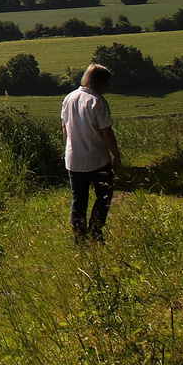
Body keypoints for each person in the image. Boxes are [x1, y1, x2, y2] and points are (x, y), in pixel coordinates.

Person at [61, 62, 122, 242]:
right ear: (98, 82)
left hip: (74, 159)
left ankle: (79, 237)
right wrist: (116, 157)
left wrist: (66, 150)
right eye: (106, 82)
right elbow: (107, 133)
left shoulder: (69, 98)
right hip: (97, 159)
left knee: (78, 200)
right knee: (104, 196)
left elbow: (64, 128)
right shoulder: (97, 101)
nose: (108, 86)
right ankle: (96, 231)